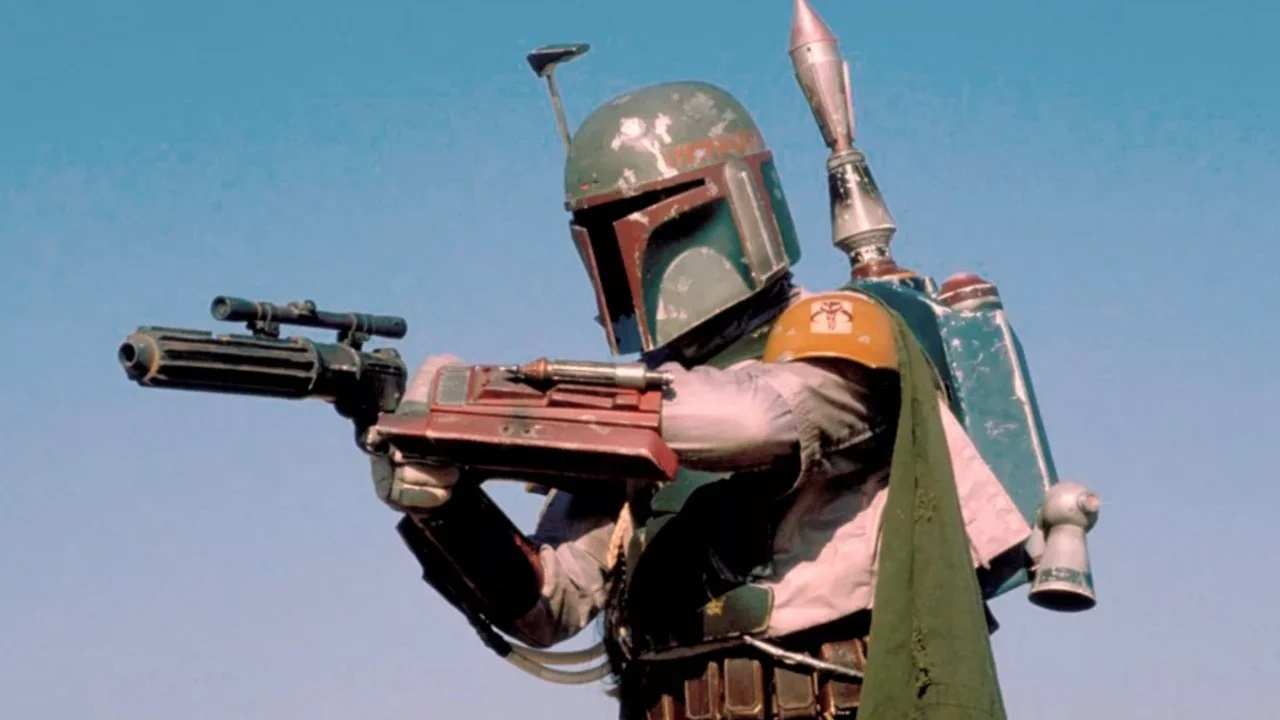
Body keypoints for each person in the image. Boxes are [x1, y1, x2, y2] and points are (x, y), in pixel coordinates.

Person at [369, 82, 1030, 720]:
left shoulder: (838, 331)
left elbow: (754, 421)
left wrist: (505, 405)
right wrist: (445, 502)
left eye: (624, 221)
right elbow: (551, 605)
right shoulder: (643, 400)